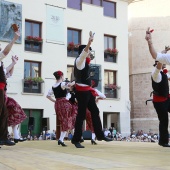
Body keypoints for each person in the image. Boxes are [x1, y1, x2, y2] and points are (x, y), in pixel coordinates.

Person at [71, 32, 112, 148]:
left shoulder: (84, 62)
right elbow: (84, 53)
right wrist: (89, 42)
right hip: (82, 92)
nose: (89, 53)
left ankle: (100, 135)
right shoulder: (79, 61)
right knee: (81, 115)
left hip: (87, 91)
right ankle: (76, 139)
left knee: (95, 111)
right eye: (88, 51)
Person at [0, 31, 19, 146]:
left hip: (1, 90)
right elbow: (6, 52)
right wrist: (14, 39)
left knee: (3, 114)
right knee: (2, 113)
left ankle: (2, 138)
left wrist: (13, 63)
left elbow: (6, 72)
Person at [46, 70, 75, 147]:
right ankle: (62, 139)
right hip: (64, 104)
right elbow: (70, 85)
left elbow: (48, 96)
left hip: (57, 104)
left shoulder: (53, 86)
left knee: (64, 121)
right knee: (68, 119)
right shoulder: (62, 84)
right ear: (61, 76)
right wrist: (76, 81)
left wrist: (55, 101)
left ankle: (62, 139)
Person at [4, 55, 27, 143]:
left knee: (15, 112)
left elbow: (9, 74)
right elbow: (6, 71)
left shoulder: (3, 73)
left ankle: (16, 136)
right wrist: (13, 63)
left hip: (4, 96)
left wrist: (14, 63)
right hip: (2, 97)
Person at [150, 60, 170, 147]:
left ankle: (164, 139)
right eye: (163, 62)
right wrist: (162, 56)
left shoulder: (163, 72)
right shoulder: (156, 74)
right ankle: (163, 141)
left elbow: (168, 77)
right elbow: (159, 66)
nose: (165, 63)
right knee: (164, 120)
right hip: (159, 102)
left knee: (164, 120)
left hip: (167, 98)